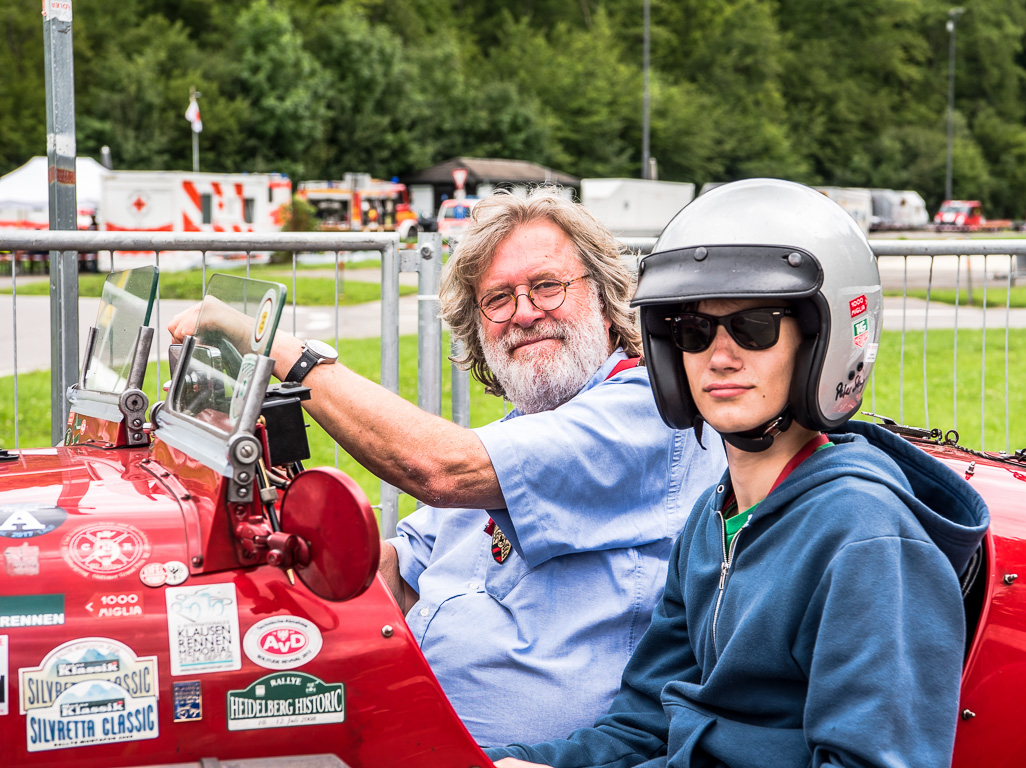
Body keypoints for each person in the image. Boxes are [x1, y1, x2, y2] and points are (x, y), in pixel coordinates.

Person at [167, 187, 726, 747]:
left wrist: (283, 356)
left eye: (547, 286)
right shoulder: (514, 431)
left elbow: (437, 469)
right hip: (416, 730)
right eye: (498, 299)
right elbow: (398, 575)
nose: (525, 313)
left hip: (545, 757)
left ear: (605, 300)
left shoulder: (650, 410)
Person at [487, 179, 990, 768]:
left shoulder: (865, 537)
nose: (720, 356)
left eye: (755, 327)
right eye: (695, 332)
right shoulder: (713, 516)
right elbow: (643, 725)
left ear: (819, 343)